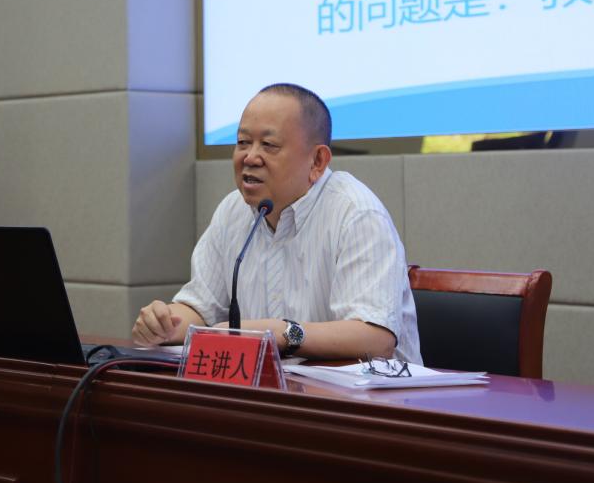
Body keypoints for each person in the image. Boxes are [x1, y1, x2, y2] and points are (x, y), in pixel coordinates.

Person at [133, 83, 421, 362]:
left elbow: (375, 339)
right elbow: (201, 309)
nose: (250, 157)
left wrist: (283, 333)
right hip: (273, 389)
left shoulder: (356, 213)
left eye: (268, 145)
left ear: (317, 161)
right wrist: (165, 324)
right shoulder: (233, 210)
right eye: (243, 142)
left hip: (371, 393)